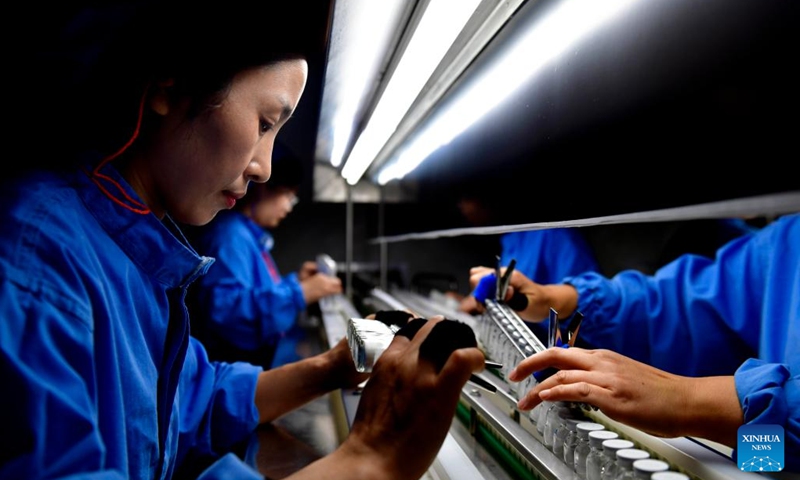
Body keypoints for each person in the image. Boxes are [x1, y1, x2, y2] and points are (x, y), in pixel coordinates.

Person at [1, 2, 485, 479]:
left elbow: (192, 401)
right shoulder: (39, 257)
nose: (264, 168)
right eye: (265, 123)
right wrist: (368, 461)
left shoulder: (131, 255)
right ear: (172, 84)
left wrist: (333, 367)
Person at [469, 213, 799, 471]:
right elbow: (683, 307)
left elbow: (783, 452)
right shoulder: (789, 241)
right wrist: (561, 300)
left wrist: (689, 402)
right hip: (766, 455)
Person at [187, 149, 342, 370]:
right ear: (261, 188)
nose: (288, 207)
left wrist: (297, 282)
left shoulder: (250, 236)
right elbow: (227, 312)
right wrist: (300, 294)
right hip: (232, 363)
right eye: (287, 196)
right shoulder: (231, 236)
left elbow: (257, 291)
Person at [455, 191, 601, 345]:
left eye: (466, 197)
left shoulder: (553, 234)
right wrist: (476, 301)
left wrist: (543, 302)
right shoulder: (511, 239)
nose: (461, 206)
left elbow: (584, 317)